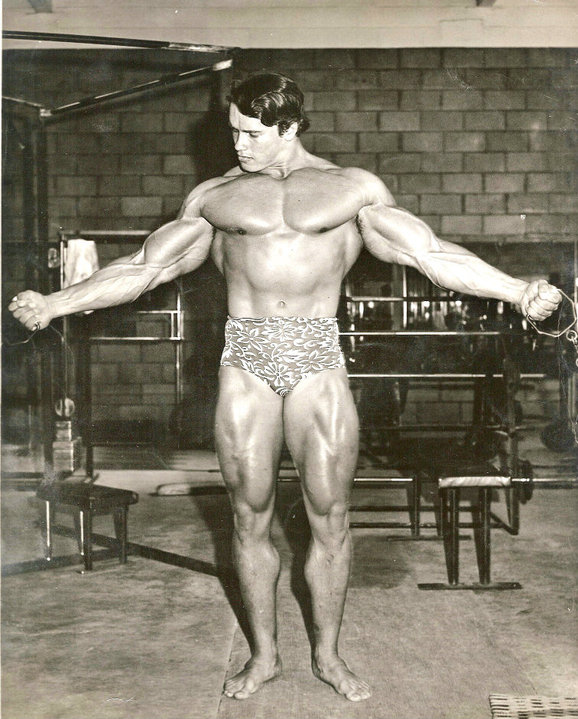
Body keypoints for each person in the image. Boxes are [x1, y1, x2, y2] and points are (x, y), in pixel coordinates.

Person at [9, 72, 562, 703]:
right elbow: (145, 267)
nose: (238, 144)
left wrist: (518, 291)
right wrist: (55, 304)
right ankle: (265, 656)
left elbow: (431, 254)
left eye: (251, 133)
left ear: (289, 126)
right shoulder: (214, 197)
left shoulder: (352, 190)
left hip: (316, 356)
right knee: (249, 517)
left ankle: (329, 655)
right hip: (246, 358)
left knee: (330, 516)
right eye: (233, 132)